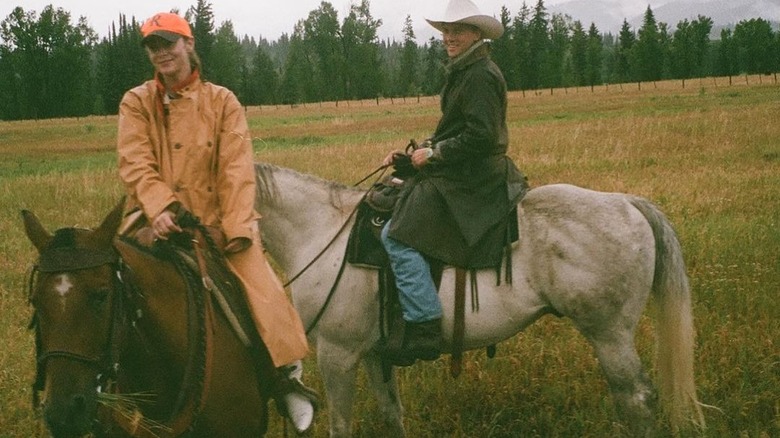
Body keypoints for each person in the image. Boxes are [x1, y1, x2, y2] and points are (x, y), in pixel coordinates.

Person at [116, 12, 316, 434]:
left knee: (263, 295)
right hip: (154, 219)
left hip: (215, 223)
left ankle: (286, 380)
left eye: (169, 42)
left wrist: (236, 230)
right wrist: (160, 208)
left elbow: (236, 171)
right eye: (153, 46)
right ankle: (102, 385)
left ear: (188, 44)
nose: (162, 52)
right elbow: (135, 163)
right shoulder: (135, 102)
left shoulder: (222, 101)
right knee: (107, 286)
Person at [380, 0, 527, 365]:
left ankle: (425, 325)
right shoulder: (466, 70)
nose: (449, 37)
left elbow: (481, 136)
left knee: (395, 236)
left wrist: (436, 154)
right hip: (463, 172)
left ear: (476, 33)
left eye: (457, 30)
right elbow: (457, 130)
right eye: (446, 30)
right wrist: (415, 155)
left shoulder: (479, 75)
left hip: (474, 180)